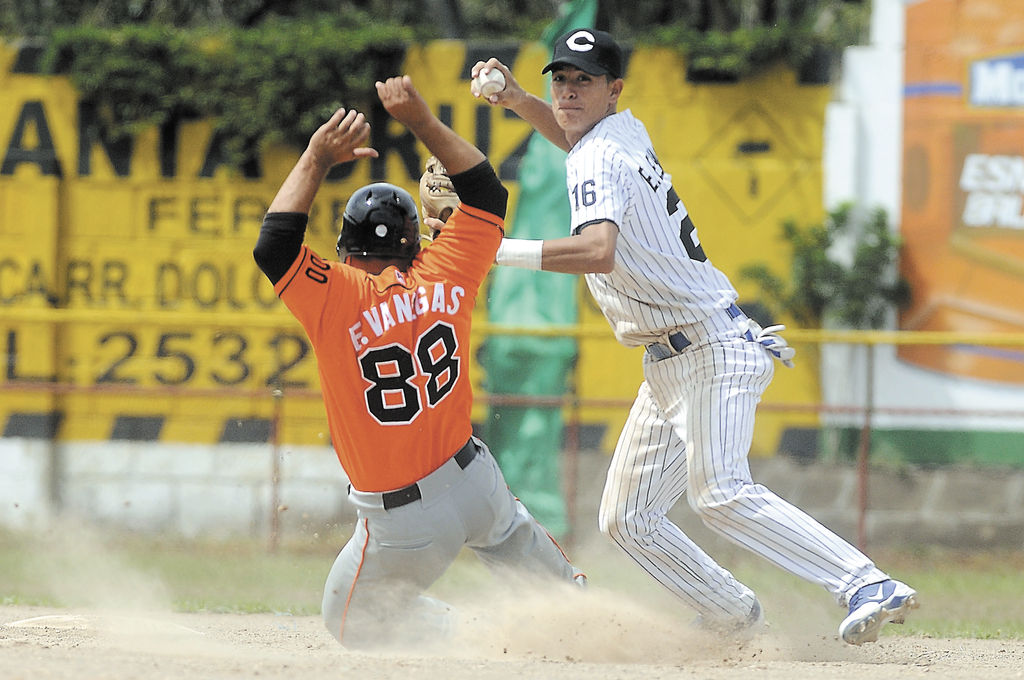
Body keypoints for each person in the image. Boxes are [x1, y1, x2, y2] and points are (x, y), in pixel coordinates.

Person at [471, 28, 918, 645]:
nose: (569, 92)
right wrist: (522, 98)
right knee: (626, 518)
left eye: (584, 81)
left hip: (709, 349)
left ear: (613, 89)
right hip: (672, 360)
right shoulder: (618, 132)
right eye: (561, 79)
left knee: (720, 493)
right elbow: (570, 135)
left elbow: (598, 251)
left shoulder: (599, 153)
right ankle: (731, 612)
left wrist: (495, 250)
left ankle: (865, 584)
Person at [252, 74, 583, 650]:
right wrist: (421, 121)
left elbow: (274, 245)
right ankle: (588, 618)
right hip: (476, 481)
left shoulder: (337, 294)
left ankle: (480, 636)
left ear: (346, 250)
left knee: (349, 621)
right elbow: (486, 193)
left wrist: (315, 157)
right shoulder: (447, 267)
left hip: (404, 520)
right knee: (551, 587)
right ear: (414, 240)